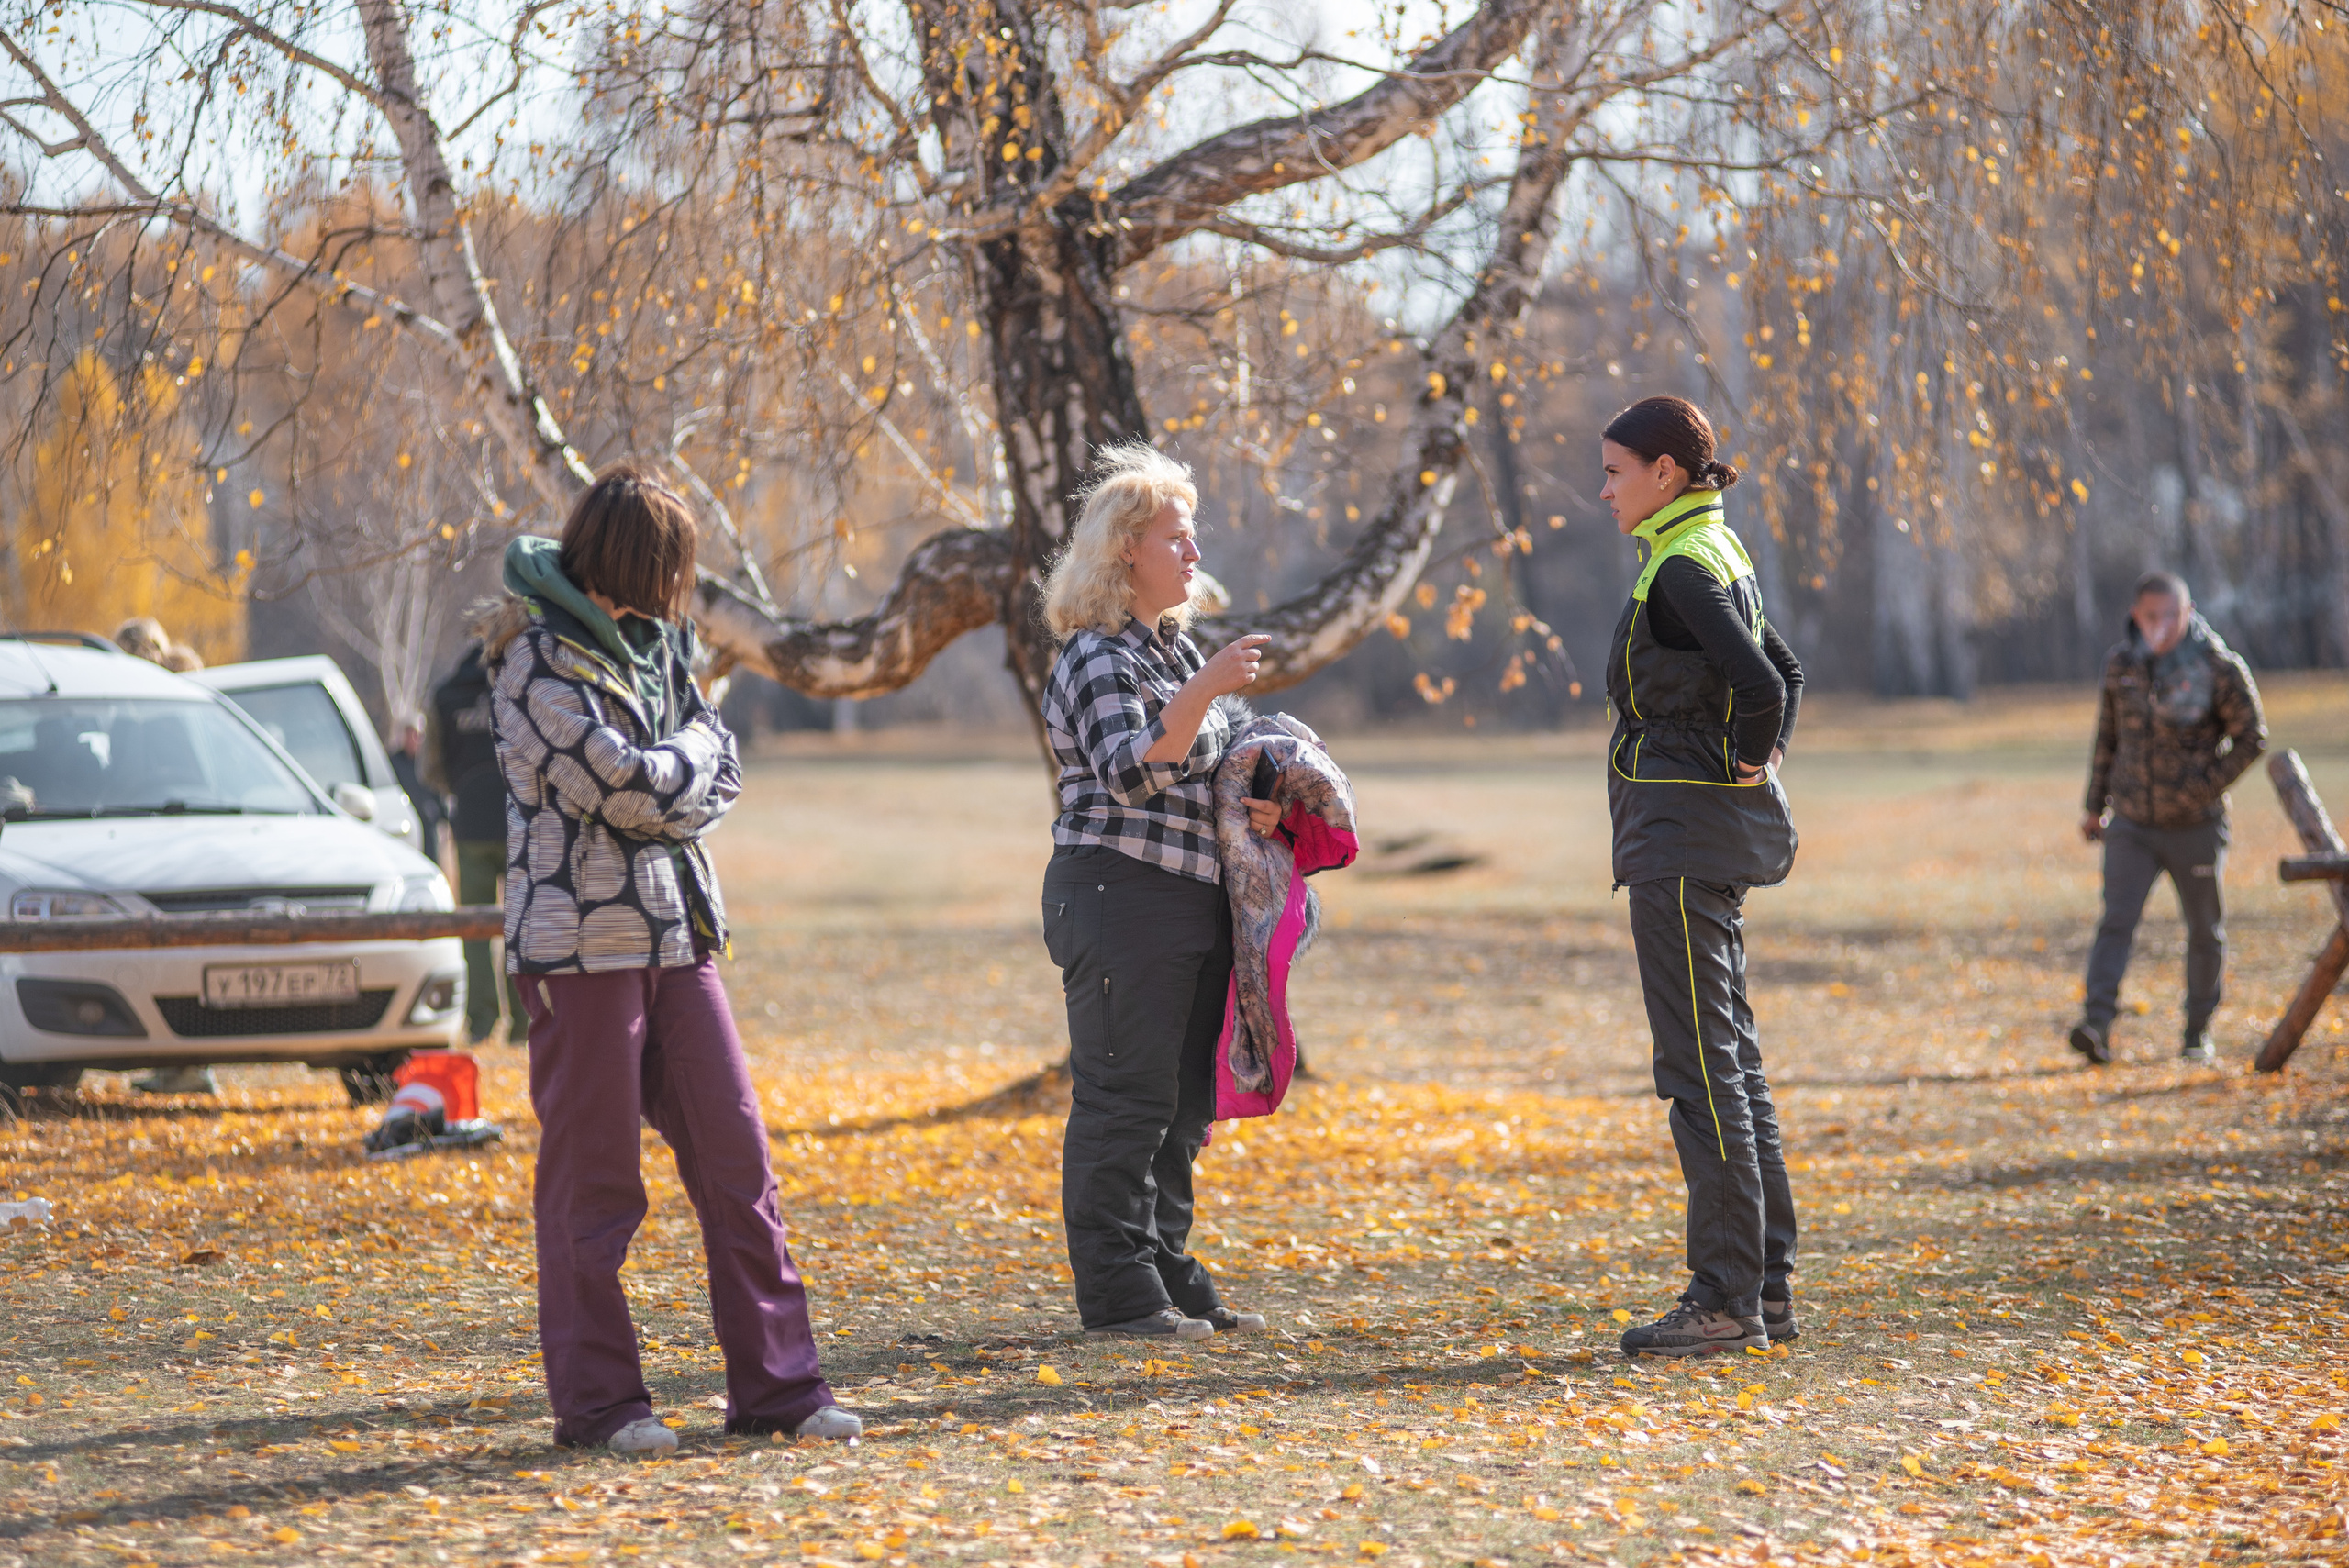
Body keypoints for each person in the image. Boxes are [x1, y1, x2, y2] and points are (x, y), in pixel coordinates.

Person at [479, 463, 857, 1454]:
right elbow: (625, 789)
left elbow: (716, 759)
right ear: (641, 560)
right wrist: (686, 765)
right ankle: (603, 1406)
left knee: (741, 1166)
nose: (685, 585)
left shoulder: (658, 649)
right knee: (595, 1185)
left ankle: (779, 1387)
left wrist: (681, 763)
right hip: (581, 951)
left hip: (680, 937)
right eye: (676, 564)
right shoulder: (533, 662)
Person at [1037, 442, 1281, 1341]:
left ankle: (1170, 1277)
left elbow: (1203, 772)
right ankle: (1118, 1295)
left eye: (1192, 537)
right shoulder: (1099, 656)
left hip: (1185, 900)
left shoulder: (1173, 656)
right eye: (1174, 539)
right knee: (1122, 1098)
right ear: (1123, 552)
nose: (1191, 554)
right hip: (1116, 893)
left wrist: (1259, 799)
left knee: (1182, 1103)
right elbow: (1128, 774)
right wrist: (1209, 688)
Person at [1599, 395, 1803, 1358]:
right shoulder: (1709, 549)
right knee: (1734, 1064)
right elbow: (1786, 676)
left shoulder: (1682, 567)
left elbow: (1764, 688)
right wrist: (1751, 761)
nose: (1603, 489)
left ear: (1664, 473)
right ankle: (1767, 1291)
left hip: (1681, 844)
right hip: (1699, 838)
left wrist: (1746, 762)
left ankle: (1724, 1299)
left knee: (1700, 1069)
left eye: (1613, 471)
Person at [2070, 573, 2266, 1067]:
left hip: (2196, 827)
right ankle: (2096, 1025)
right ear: (2137, 615)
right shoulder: (2122, 664)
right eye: (2152, 616)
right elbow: (2106, 737)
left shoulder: (2219, 667)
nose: (2161, 626)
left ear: (2190, 611)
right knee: (2116, 922)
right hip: (2132, 823)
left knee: (2204, 929)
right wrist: (2095, 807)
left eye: (2171, 615)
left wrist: (2202, 787)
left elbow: (2252, 737)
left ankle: (2196, 1032)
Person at [116, 617, 218, 1096]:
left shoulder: (150, 706)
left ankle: (189, 1067)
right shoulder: (174, 696)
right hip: (182, 836)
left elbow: (143, 776)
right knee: (182, 952)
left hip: (168, 839)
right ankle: (179, 1064)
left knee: (179, 951)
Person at [427, 643, 524, 1043]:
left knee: (476, 929)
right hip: (520, 825)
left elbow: (430, 766)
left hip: (469, 829)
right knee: (522, 926)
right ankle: (524, 1022)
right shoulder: (523, 686)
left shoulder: (446, 696)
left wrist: (461, 793)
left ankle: (481, 1020)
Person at [387, 719, 450, 865]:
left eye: (418, 735)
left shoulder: (428, 761)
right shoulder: (393, 762)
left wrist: (443, 815)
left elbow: (437, 788)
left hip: (428, 827)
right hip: (404, 826)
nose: (414, 739)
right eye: (410, 734)